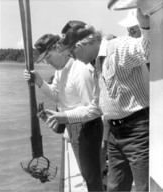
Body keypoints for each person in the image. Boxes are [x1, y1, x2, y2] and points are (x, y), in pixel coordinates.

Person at [52, 8, 150, 192]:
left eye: (72, 53)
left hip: (138, 131)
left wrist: (144, 24)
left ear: (80, 45)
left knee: (145, 188)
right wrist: (63, 116)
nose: (73, 58)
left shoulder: (119, 47)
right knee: (115, 188)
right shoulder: (97, 64)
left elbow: (148, 49)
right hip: (115, 134)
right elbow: (96, 107)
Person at [23, 32, 104, 191]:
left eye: (48, 56)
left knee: (91, 177)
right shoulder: (61, 70)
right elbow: (56, 95)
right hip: (73, 127)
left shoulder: (81, 69)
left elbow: (92, 109)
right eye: (44, 59)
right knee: (86, 174)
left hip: (87, 128)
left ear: (58, 48)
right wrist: (39, 81)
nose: (47, 62)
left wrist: (64, 116)